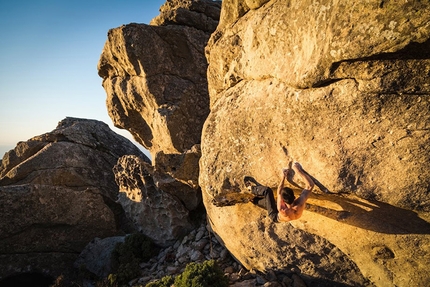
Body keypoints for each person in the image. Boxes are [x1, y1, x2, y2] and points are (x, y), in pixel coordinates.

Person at [244, 162, 315, 222]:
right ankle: (254, 200)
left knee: (267, 191)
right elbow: (310, 186)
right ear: (294, 197)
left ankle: (251, 189)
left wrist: (283, 177)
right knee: (268, 201)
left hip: (274, 215)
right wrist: (298, 170)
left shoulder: (282, 209)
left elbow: (279, 191)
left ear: (283, 201)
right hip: (288, 217)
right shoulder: (300, 204)